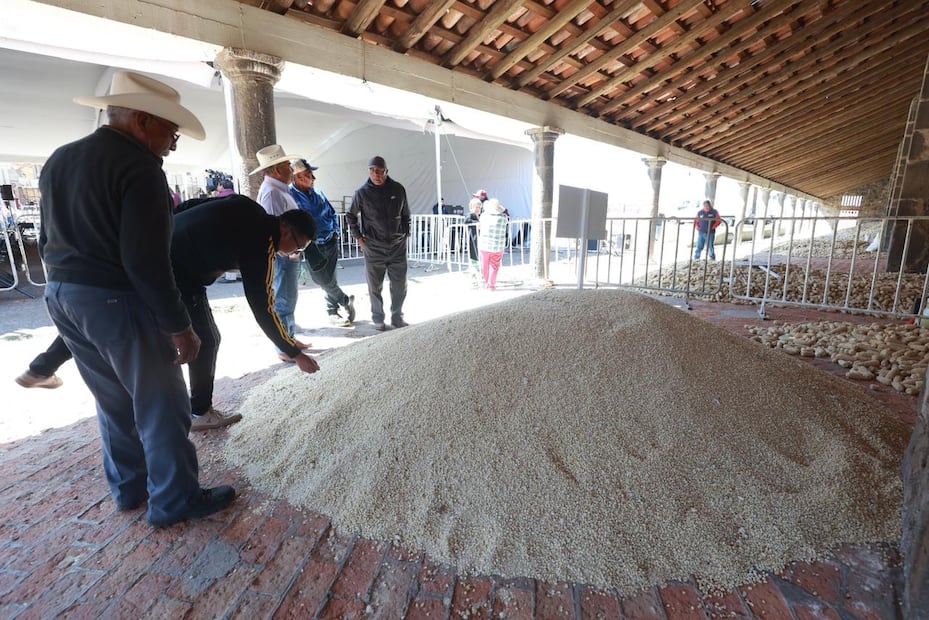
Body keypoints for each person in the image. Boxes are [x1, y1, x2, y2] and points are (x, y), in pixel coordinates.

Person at [38, 70, 234, 526]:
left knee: (112, 401)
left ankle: (130, 488)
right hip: (116, 300)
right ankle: (175, 499)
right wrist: (179, 326)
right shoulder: (140, 168)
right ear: (143, 120)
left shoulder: (61, 158)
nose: (172, 145)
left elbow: (48, 238)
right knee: (162, 402)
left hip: (62, 294)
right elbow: (147, 261)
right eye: (171, 132)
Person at [16, 197, 322, 429]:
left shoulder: (246, 205)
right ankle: (200, 411)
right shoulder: (263, 243)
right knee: (207, 339)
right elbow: (262, 304)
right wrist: (293, 352)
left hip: (151, 253)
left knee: (99, 320)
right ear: (285, 229)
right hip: (179, 276)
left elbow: (189, 205)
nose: (293, 252)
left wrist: (163, 237)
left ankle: (41, 367)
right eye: (297, 246)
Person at [251, 144, 310, 360]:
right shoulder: (272, 194)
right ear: (276, 170)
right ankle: (284, 346)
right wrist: (289, 252)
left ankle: (289, 337)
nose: (291, 169)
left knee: (288, 297)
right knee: (284, 299)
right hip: (283, 254)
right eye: (287, 166)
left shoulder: (278, 191)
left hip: (289, 251)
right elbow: (276, 232)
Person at [347, 155, 411, 331]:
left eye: (379, 170)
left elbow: (406, 213)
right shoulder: (361, 193)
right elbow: (351, 215)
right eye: (372, 170)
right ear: (369, 171)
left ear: (386, 171)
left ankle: (397, 317)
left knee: (399, 285)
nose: (375, 174)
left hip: (398, 246)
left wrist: (406, 233)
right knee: (374, 286)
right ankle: (378, 319)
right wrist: (358, 237)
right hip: (373, 247)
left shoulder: (398, 189)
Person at [289, 159, 355, 327]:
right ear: (297, 177)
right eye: (308, 174)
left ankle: (332, 312)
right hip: (311, 245)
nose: (312, 178)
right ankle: (345, 300)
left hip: (330, 240)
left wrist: (336, 232)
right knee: (320, 279)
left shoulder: (318, 193)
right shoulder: (289, 196)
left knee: (330, 278)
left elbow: (332, 214)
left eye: (311, 174)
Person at [478, 198, 509, 290]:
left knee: (485, 265)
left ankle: (486, 282)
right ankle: (491, 285)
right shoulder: (503, 218)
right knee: (494, 266)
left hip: (485, 245)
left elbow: (480, 227)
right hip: (498, 246)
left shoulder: (484, 216)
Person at [464, 197, 482, 284]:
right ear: (471, 207)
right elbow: (466, 220)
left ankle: (477, 273)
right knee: (473, 257)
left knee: (478, 256)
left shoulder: (480, 217)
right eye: (476, 207)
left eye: (479, 208)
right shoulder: (470, 215)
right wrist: (476, 223)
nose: (478, 209)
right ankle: (474, 275)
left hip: (479, 239)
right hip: (472, 239)